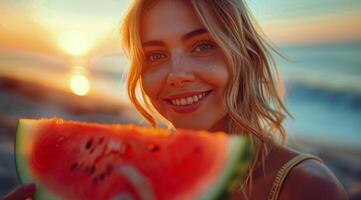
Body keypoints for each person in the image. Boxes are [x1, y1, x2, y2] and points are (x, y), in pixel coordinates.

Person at [4, 0, 348, 199]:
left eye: (202, 46)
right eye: (155, 55)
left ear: (245, 55)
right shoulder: (126, 176)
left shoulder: (305, 187)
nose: (176, 74)